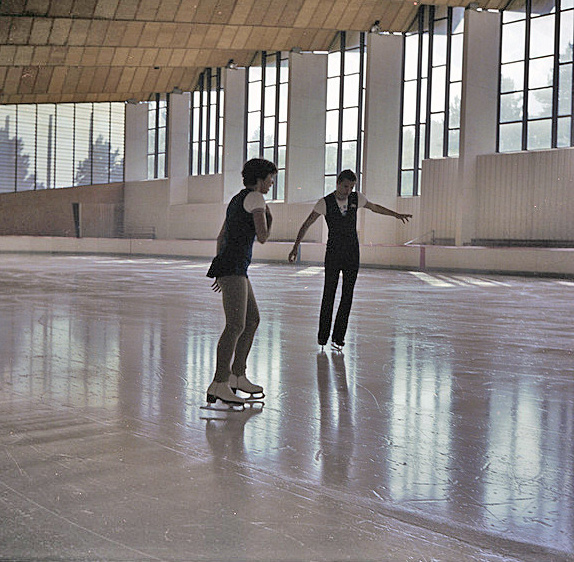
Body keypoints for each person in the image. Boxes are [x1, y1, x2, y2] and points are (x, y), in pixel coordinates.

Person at [288, 169, 412, 352]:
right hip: (333, 253)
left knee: (347, 295)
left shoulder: (356, 198)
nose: (348, 190)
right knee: (328, 294)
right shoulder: (325, 203)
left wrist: (396, 215)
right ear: (338, 183)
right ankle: (323, 337)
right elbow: (307, 223)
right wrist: (295, 247)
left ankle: (338, 337)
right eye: (346, 186)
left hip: (352, 253)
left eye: (352, 187)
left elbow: (375, 207)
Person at [205, 158, 276, 409]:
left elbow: (221, 235)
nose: (271, 183)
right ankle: (219, 383)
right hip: (234, 268)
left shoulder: (237, 199)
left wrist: (219, 268)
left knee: (252, 320)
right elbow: (264, 236)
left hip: (233, 267)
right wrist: (269, 215)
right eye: (269, 179)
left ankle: (237, 376)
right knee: (235, 325)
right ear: (259, 179)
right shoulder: (257, 199)